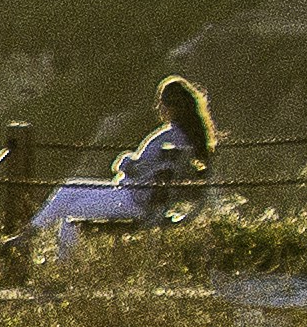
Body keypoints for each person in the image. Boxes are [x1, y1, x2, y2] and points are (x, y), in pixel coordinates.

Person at [31, 73, 218, 243]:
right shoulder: (190, 139)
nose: (159, 108)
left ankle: (35, 241)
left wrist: (125, 161)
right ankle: (30, 233)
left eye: (162, 103)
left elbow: (141, 168)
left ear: (171, 106)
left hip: (133, 199)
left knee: (72, 210)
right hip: (135, 195)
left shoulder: (169, 138)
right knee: (70, 187)